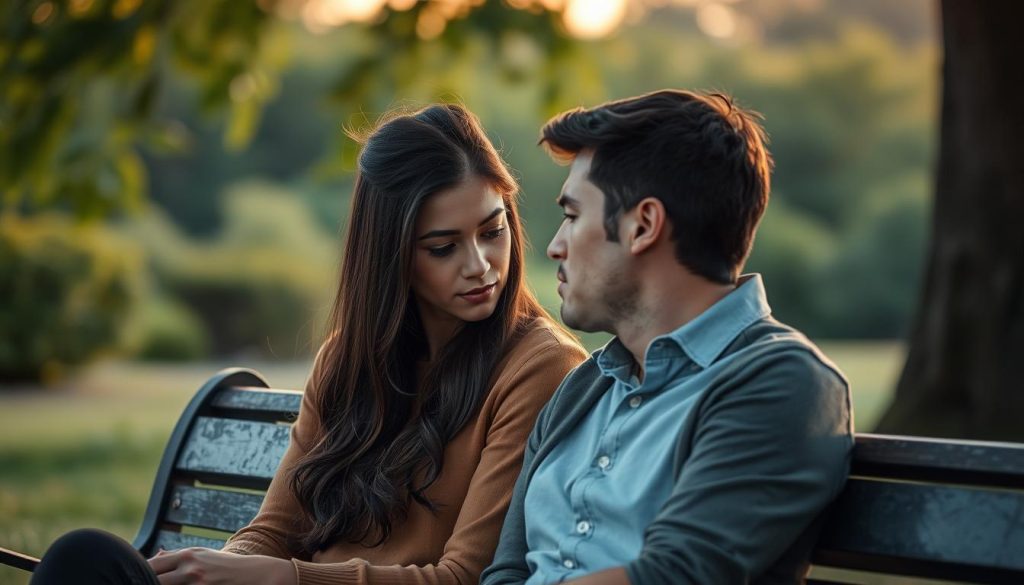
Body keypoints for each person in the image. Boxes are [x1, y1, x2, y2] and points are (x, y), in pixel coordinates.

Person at [29, 104, 587, 585]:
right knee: (86, 558)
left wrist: (286, 576)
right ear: (390, 255)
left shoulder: (538, 366)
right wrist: (218, 567)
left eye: (493, 231)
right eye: (443, 247)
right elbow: (275, 529)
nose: (480, 266)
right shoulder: (349, 361)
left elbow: (463, 577)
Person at [482, 90, 854, 585]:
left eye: (573, 216)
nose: (554, 246)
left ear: (643, 226)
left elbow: (674, 574)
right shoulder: (585, 386)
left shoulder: (781, 381)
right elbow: (507, 569)